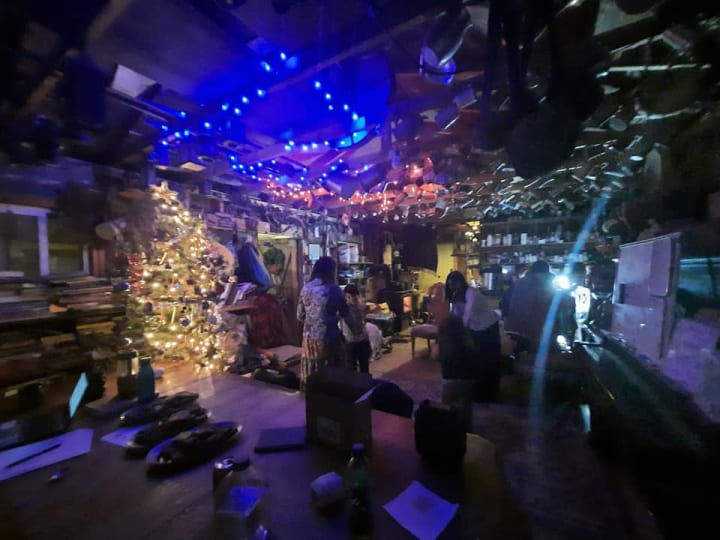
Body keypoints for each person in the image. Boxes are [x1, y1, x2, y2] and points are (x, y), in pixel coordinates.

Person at [445, 271, 502, 402]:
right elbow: (455, 316)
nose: (453, 287)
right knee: (477, 361)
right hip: (476, 329)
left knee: (489, 362)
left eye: (454, 284)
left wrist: (460, 333)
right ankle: (478, 393)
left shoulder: (471, 292)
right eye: (450, 285)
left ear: (461, 282)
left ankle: (491, 395)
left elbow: (467, 315)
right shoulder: (456, 296)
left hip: (489, 327)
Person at [297, 256, 351, 388]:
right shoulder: (334, 290)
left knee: (311, 373)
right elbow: (346, 314)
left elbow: (299, 316)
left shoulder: (306, 288)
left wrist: (312, 321)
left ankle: (308, 395)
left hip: (309, 340)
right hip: (329, 338)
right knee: (332, 375)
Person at [504, 260, 557, 351]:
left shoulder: (518, 283)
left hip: (513, 329)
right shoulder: (544, 285)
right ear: (546, 273)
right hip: (535, 333)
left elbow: (504, 304)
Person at [340, 284, 371, 374]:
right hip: (351, 342)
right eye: (348, 297)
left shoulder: (360, 306)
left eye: (353, 296)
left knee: (364, 369)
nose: (351, 299)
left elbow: (361, 324)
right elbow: (355, 328)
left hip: (362, 341)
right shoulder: (344, 309)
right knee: (352, 369)